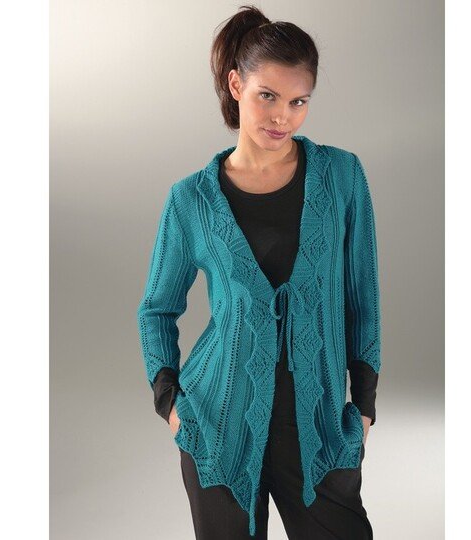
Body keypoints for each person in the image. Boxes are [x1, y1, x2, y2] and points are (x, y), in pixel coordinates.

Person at [137, 5, 381, 539]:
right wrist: (171, 403)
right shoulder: (191, 200)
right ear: (235, 85)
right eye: (267, 96)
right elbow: (156, 310)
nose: (282, 117)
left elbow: (362, 300)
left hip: (318, 425)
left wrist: (362, 406)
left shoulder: (342, 176)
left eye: (298, 102)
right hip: (219, 422)